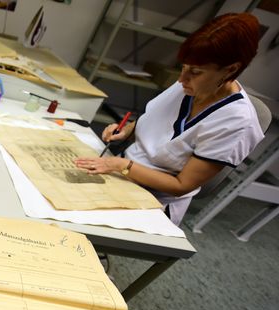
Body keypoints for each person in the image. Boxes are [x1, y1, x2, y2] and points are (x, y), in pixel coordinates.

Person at [74, 12, 265, 225]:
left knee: (68, 214)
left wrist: (122, 166)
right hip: (121, 171)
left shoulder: (237, 123)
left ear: (231, 69)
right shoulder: (190, 85)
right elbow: (158, 118)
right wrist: (126, 130)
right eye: (183, 68)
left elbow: (182, 185)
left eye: (196, 71)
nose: (182, 79)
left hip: (155, 199)